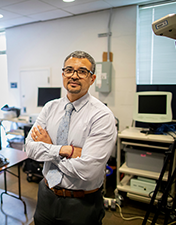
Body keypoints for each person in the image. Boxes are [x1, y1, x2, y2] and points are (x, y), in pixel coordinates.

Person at [25, 50, 117, 225]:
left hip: (81, 203)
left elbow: (87, 171)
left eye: (82, 71)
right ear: (63, 74)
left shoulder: (102, 116)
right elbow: (29, 148)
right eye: (69, 70)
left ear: (92, 79)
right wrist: (65, 150)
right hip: (46, 194)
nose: (74, 76)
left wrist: (49, 149)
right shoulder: (50, 108)